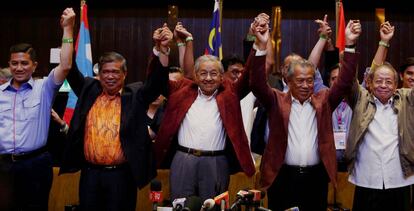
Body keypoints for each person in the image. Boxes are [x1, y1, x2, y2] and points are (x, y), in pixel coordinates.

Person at [251, 16, 361, 211]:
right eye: (300, 81)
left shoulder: (324, 100)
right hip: (283, 177)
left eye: (309, 80)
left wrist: (350, 45)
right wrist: (260, 46)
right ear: (288, 81)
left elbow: (344, 82)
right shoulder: (277, 100)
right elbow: (257, 84)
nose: (305, 85)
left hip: (315, 179)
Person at [59, 24, 172, 211]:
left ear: (124, 74)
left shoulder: (135, 95)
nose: (110, 76)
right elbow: (69, 68)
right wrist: (68, 30)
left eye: (115, 72)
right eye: (105, 72)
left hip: (122, 177)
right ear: (99, 74)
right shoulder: (88, 90)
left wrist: (163, 50)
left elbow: (157, 82)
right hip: (90, 175)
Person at [154, 21, 259, 202]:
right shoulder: (181, 90)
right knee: (179, 205)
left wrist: (252, 39)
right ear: (195, 76)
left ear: (221, 76)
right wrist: (162, 50)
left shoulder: (230, 94)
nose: (208, 78)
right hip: (183, 160)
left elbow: (249, 76)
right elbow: (157, 81)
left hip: (216, 163)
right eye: (203, 73)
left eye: (213, 74)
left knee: (214, 206)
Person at [0, 8, 75, 210]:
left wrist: (68, 29)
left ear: (34, 65)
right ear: (9, 64)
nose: (19, 67)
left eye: (24, 63)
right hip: (3, 166)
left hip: (35, 164)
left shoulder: (45, 88)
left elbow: (66, 65)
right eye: (14, 63)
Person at [345, 25, 414, 211]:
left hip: (399, 179)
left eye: (389, 81)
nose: (383, 85)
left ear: (397, 84)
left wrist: (385, 41)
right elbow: (347, 79)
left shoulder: (407, 99)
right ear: (370, 83)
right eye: (379, 80)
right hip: (366, 179)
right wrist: (350, 44)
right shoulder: (361, 99)